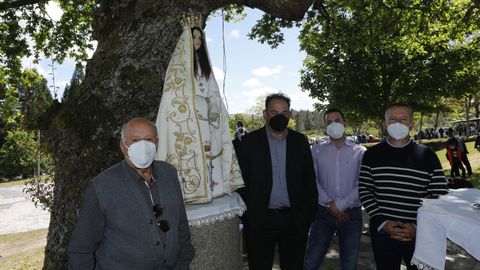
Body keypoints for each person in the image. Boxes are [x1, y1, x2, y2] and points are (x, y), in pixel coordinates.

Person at [68, 118, 194, 270]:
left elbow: (181, 225)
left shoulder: (169, 173)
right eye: (135, 140)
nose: (143, 146)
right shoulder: (101, 186)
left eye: (148, 139)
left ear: (157, 143)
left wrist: (184, 262)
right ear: (123, 146)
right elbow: (81, 248)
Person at [155, 20, 244, 203]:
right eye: (193, 37)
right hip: (188, 117)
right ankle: (192, 190)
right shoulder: (178, 68)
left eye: (199, 37)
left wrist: (213, 108)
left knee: (211, 150)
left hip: (206, 118)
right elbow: (173, 93)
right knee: (193, 153)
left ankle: (214, 187)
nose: (197, 41)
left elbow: (213, 91)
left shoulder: (205, 66)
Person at [358, 103, 448, 270]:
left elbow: (439, 194)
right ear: (384, 124)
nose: (397, 123)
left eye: (403, 119)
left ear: (411, 124)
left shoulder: (427, 155)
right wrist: (382, 222)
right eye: (392, 119)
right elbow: (364, 190)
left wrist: (417, 226)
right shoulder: (371, 155)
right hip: (383, 233)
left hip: (421, 235)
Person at [237, 93, 318, 270]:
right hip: (260, 220)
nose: (279, 117)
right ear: (265, 114)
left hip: (294, 220)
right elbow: (240, 181)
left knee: (294, 265)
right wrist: (249, 215)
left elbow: (309, 180)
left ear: (289, 115)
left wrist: (307, 214)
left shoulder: (300, 141)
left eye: (284, 112)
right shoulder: (249, 142)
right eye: (274, 112)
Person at [304, 108, 366, 270]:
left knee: (349, 264)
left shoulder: (360, 152)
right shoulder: (316, 150)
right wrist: (329, 204)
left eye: (337, 121)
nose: (334, 125)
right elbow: (312, 180)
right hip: (322, 214)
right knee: (311, 261)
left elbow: (363, 183)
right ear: (325, 127)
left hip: (351, 215)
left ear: (344, 123)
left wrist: (340, 205)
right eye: (329, 122)